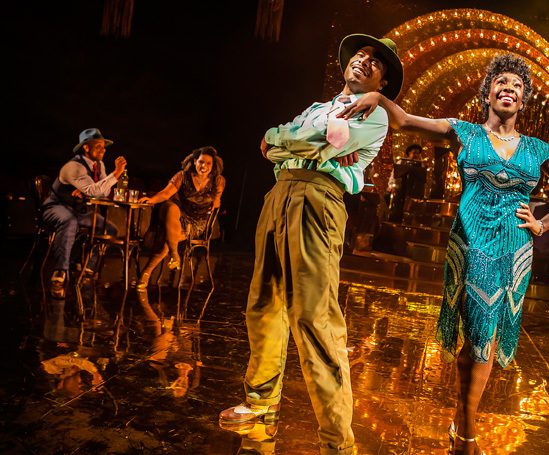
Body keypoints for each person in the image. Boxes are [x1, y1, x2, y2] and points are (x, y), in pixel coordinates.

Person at [339, 53, 549, 455]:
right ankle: (467, 425)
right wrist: (379, 99)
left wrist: (543, 223)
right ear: (487, 93)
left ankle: (464, 425)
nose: (509, 89)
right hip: (472, 243)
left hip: (514, 248)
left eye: (517, 87)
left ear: (522, 101)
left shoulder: (538, 149)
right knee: (476, 335)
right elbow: (404, 121)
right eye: (501, 83)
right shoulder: (463, 132)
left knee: (486, 340)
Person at [218, 34, 403, 455]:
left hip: (318, 199)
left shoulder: (374, 115)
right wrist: (295, 138)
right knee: (263, 303)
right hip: (280, 194)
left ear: (382, 81)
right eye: (359, 55)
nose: (362, 61)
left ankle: (337, 439)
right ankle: (260, 402)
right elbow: (271, 142)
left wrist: (290, 140)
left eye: (374, 62)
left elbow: (307, 143)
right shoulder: (318, 109)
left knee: (314, 317)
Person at [43, 128, 127, 297]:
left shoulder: (99, 165)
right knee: (69, 222)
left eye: (104, 147)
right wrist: (116, 174)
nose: (103, 150)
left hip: (79, 211)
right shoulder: (74, 167)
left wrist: (88, 190)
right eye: (98, 146)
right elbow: (95, 191)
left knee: (109, 229)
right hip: (57, 207)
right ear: (86, 148)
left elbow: (102, 193)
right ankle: (60, 271)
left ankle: (86, 268)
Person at [136, 146, 225, 288]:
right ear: (195, 161)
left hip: (196, 221)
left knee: (166, 237)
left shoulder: (218, 180)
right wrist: (152, 200)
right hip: (175, 212)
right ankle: (174, 254)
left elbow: (217, 200)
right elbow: (166, 193)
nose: (204, 166)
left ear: (213, 165)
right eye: (201, 162)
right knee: (170, 207)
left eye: (208, 163)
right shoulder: (182, 176)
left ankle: (146, 274)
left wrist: (216, 203)